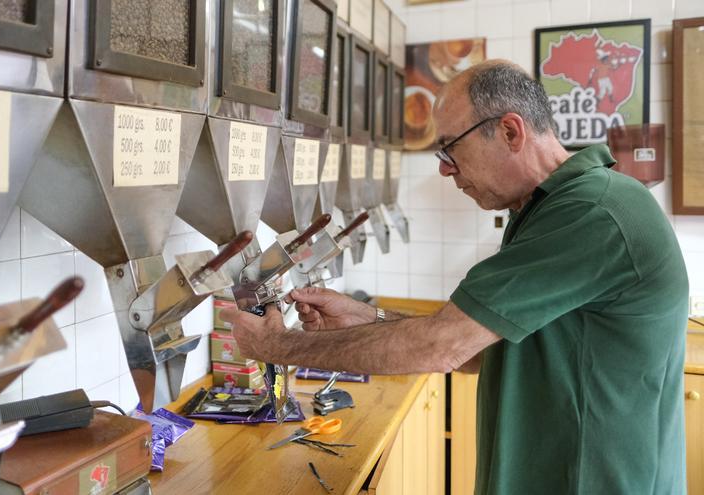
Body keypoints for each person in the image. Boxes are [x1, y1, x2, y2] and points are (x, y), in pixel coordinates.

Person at [220, 60, 689, 494]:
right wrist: (363, 317)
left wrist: (276, 346)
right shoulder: (546, 209)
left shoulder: (593, 212)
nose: (444, 169)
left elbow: (443, 345)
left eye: (449, 148)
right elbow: (488, 349)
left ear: (509, 131)